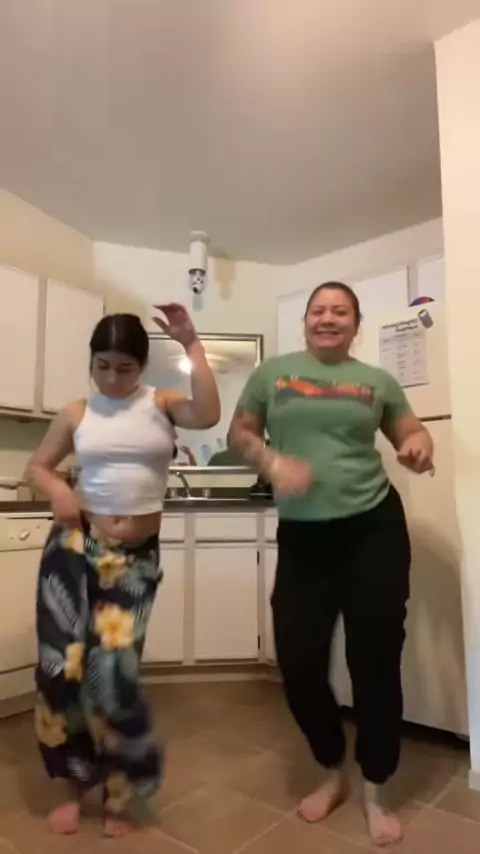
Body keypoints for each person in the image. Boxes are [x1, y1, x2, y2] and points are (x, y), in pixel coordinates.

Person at [227, 282, 433, 846]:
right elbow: (239, 432)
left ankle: (376, 788)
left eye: (340, 311)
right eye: (318, 310)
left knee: (375, 660)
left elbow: (411, 431)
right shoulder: (272, 374)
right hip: (304, 537)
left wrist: (419, 448)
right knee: (298, 658)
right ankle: (331, 768)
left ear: (355, 324)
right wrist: (272, 462)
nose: (328, 318)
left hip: (373, 529)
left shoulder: (378, 382)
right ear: (306, 321)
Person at [26, 305, 220, 837]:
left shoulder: (161, 403)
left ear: (142, 367)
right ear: (92, 361)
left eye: (125, 368)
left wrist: (192, 344)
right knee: (61, 669)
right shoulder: (76, 412)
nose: (113, 378)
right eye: (103, 366)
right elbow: (37, 466)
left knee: (114, 674)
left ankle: (119, 791)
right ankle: (72, 784)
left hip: (133, 558)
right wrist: (59, 488)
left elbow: (208, 414)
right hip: (74, 546)